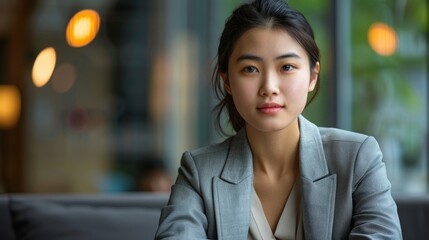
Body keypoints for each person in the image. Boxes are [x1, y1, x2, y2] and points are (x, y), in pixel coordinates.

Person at [155, 0, 402, 239]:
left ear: (313, 76)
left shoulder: (357, 159)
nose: (269, 87)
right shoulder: (200, 171)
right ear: (227, 81)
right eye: (250, 69)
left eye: (286, 67)